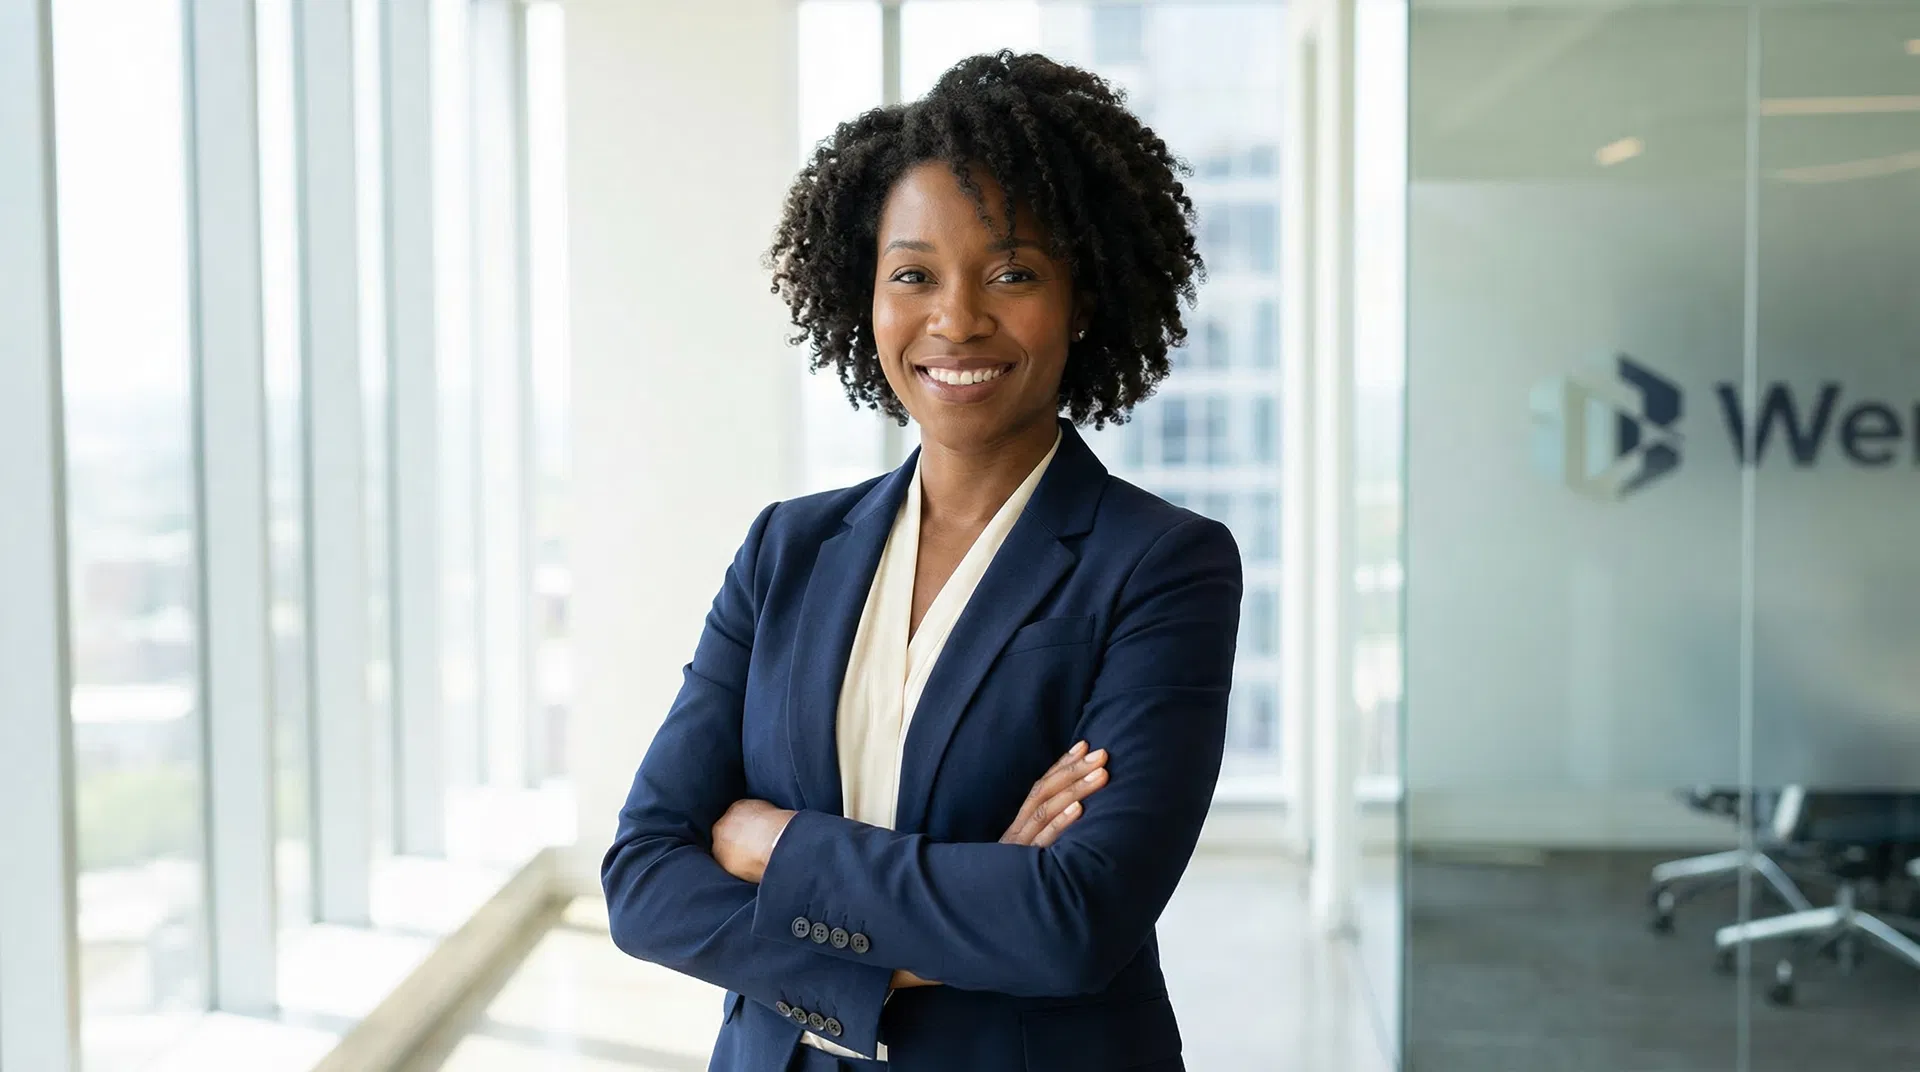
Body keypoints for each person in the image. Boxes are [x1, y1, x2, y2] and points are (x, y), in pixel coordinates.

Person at [602, 50, 1242, 1072]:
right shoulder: (787, 549)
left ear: (1084, 297)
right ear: (865, 297)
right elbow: (643, 880)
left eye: (1013, 273)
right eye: (913, 275)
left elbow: (1072, 919)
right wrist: (927, 933)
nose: (957, 319)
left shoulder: (1163, 566)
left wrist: (776, 849)